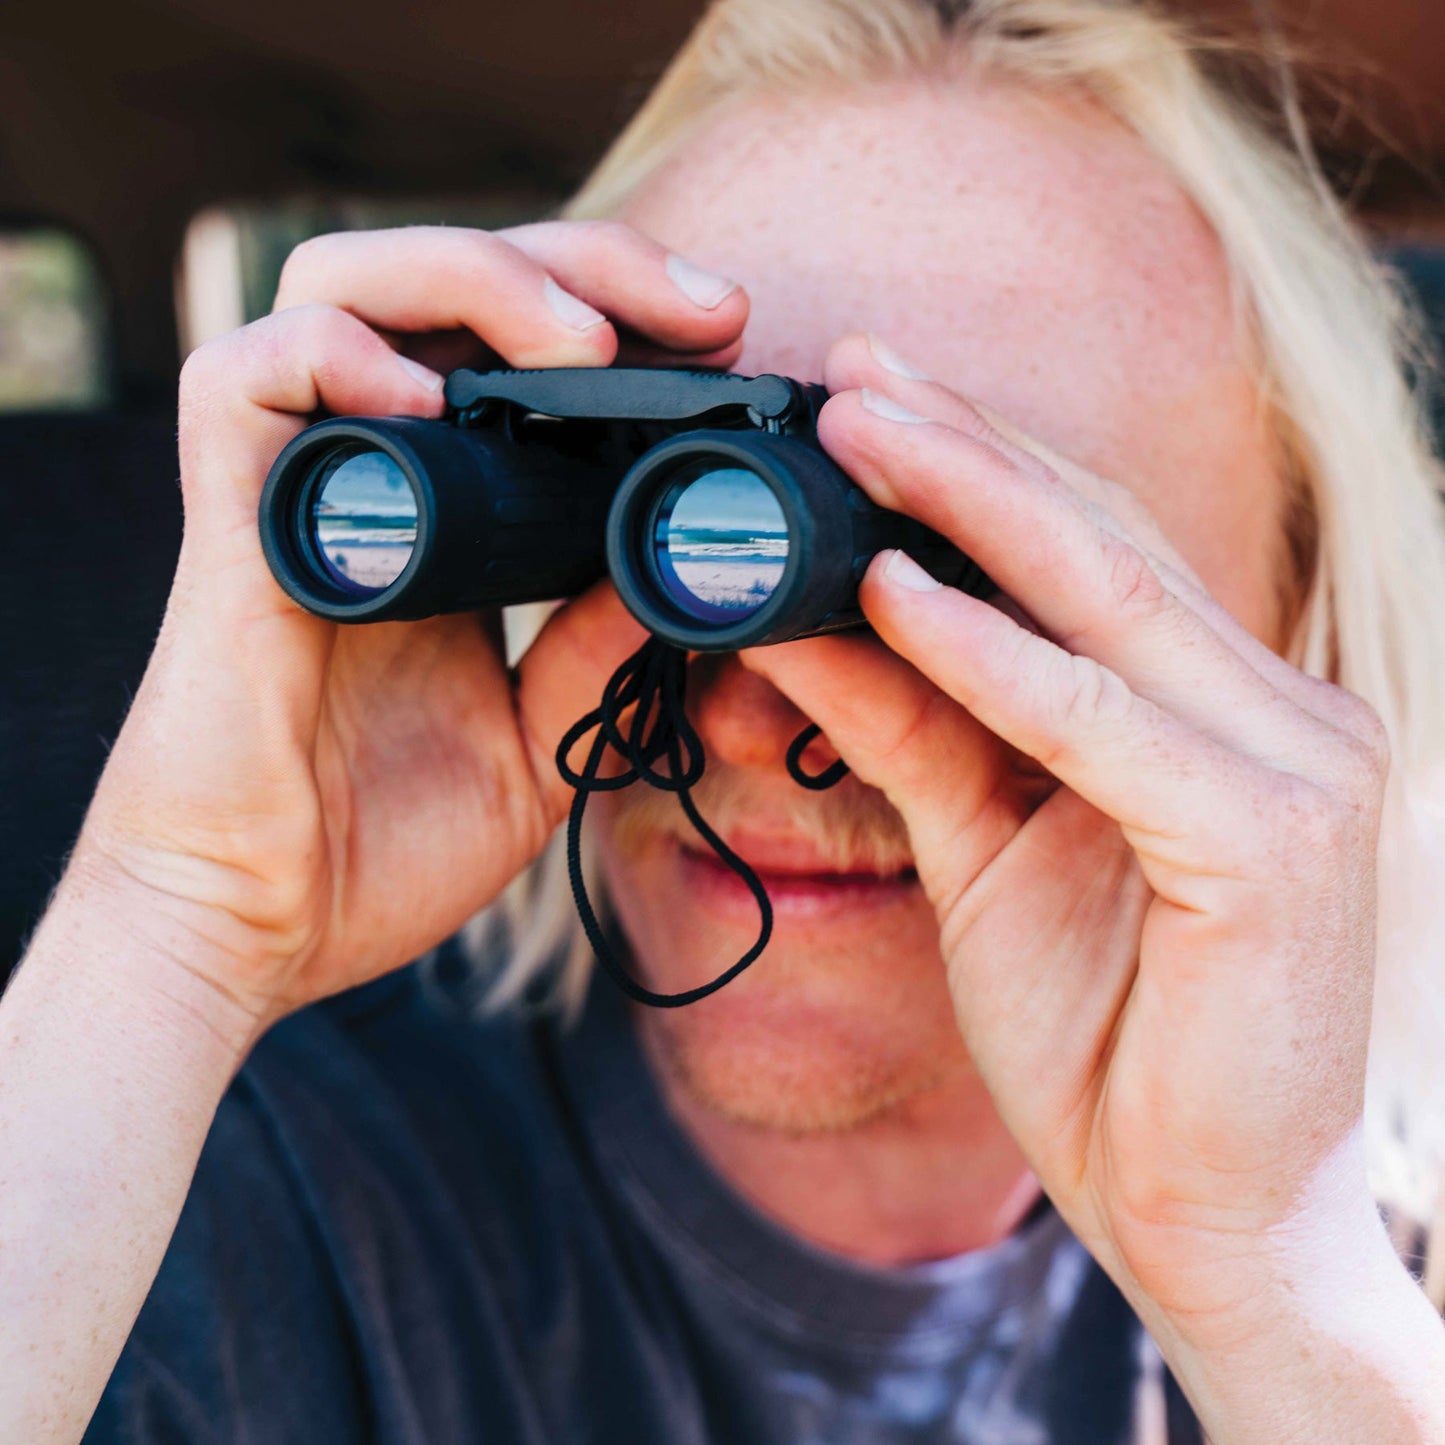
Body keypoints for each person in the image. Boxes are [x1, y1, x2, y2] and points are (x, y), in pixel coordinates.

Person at [6, 0, 1445, 1440]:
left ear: (1294, 635)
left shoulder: (1387, 1249)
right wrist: (175, 922)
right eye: (672, 512)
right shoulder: (210, 1193)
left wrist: (1277, 1298)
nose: (757, 707)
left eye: (984, 553)